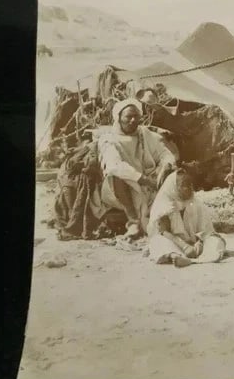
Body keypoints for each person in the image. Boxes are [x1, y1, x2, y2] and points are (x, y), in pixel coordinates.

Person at [97, 98, 177, 239]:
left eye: (136, 116)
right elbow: (114, 166)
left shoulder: (144, 133)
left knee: (173, 173)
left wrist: (165, 167)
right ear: (119, 118)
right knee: (115, 176)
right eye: (128, 117)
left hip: (150, 181)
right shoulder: (108, 139)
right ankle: (133, 221)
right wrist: (144, 179)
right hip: (123, 187)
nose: (133, 120)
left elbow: (165, 154)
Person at [147, 169, 226, 267]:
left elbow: (205, 230)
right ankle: (176, 256)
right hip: (175, 243)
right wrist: (185, 247)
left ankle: (203, 256)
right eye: (185, 185)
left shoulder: (195, 203)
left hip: (193, 244)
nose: (190, 188)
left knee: (215, 239)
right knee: (158, 241)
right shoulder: (165, 204)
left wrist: (200, 242)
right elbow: (164, 232)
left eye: (190, 184)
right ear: (174, 187)